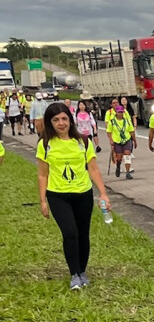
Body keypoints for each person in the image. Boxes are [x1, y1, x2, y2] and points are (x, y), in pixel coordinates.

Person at [36, 101, 111, 290]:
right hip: (58, 195)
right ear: (50, 122)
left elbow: (93, 169)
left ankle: (82, 271)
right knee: (70, 233)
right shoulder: (45, 144)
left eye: (64, 118)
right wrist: (43, 201)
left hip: (83, 193)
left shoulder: (83, 141)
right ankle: (74, 274)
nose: (61, 123)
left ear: (70, 120)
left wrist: (103, 193)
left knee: (83, 234)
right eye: (56, 120)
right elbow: (43, 174)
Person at [105, 98, 135, 179]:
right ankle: (118, 165)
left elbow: (130, 126)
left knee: (127, 155)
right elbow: (108, 129)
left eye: (116, 102)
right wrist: (110, 140)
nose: (121, 113)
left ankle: (128, 172)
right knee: (119, 157)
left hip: (126, 139)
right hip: (117, 140)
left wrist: (134, 140)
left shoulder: (126, 115)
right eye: (113, 103)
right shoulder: (110, 115)